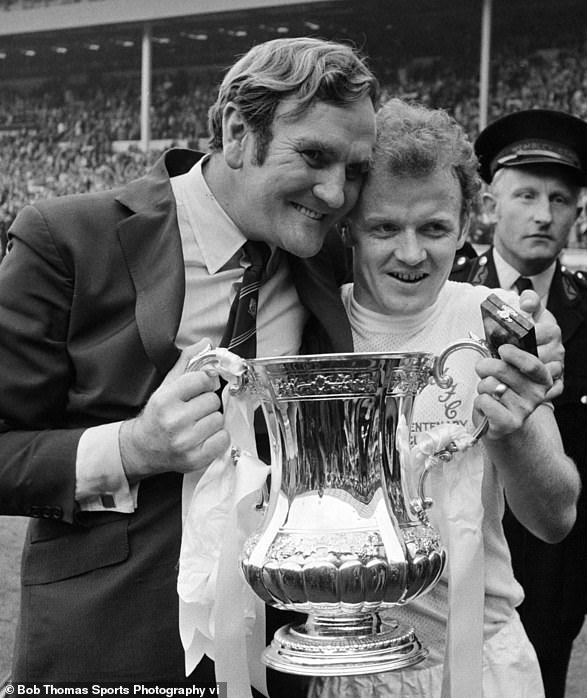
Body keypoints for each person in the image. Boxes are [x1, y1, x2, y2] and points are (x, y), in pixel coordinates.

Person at [0, 36, 378, 693]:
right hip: (107, 650)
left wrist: (521, 333)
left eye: (355, 169)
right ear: (238, 131)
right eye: (314, 155)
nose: (336, 191)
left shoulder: (327, 261)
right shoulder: (66, 239)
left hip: (278, 657)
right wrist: (133, 447)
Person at [309, 99, 579, 697]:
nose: (411, 254)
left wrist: (514, 429)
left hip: (477, 661)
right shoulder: (309, 325)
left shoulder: (496, 323)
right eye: (385, 228)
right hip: (346, 665)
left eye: (433, 228)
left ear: (463, 227)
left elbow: (556, 518)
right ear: (349, 224)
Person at [451, 108, 587, 698]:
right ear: (490, 204)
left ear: (578, 212)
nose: (543, 213)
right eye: (525, 194)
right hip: (460, 550)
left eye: (560, 198)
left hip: (557, 565)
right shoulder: (445, 297)